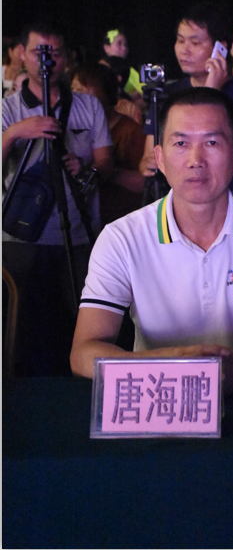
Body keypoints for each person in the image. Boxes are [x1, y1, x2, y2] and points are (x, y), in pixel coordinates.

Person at [70, 87, 233, 392]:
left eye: (212, 142)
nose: (196, 159)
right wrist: (170, 364)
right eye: (181, 143)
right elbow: (83, 352)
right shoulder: (122, 238)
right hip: (156, 400)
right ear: (159, 159)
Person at [2, 22, 113, 376]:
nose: (47, 61)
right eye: (39, 52)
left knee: (78, 323)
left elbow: (106, 163)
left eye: (56, 53)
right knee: (21, 327)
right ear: (21, 54)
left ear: (67, 58)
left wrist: (85, 167)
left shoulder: (88, 106)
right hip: (21, 235)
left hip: (78, 232)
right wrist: (16, 132)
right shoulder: (7, 108)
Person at [139, 3, 233, 197]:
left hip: (229, 202)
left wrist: (212, 92)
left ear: (220, 48)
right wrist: (147, 164)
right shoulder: (166, 94)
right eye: (180, 40)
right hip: (176, 204)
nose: (184, 50)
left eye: (195, 43)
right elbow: (148, 157)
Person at [71, 62, 145, 225]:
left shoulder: (129, 130)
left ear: (105, 92)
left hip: (120, 219)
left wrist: (104, 170)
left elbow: (144, 183)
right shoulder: (76, 128)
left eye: (80, 90)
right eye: (72, 90)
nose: (75, 97)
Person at [102, 28, 143, 105]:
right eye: (119, 44)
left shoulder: (130, 70)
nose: (124, 48)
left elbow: (146, 96)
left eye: (125, 45)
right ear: (106, 48)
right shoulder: (97, 71)